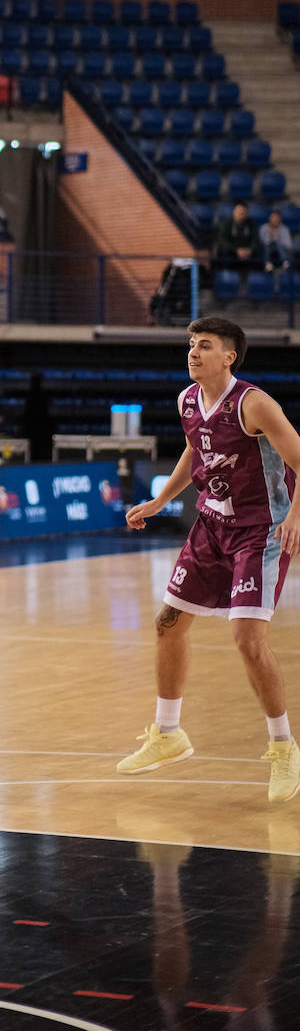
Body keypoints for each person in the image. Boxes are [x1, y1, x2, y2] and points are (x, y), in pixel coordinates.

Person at [118, 316, 300, 804]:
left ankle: (284, 747)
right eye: (191, 344)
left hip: (258, 532)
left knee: (247, 639)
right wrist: (159, 501)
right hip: (210, 527)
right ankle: (168, 732)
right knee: (168, 624)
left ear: (229, 357)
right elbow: (193, 451)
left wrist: (295, 518)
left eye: (205, 346)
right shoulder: (186, 400)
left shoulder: (255, 404)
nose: (194, 352)